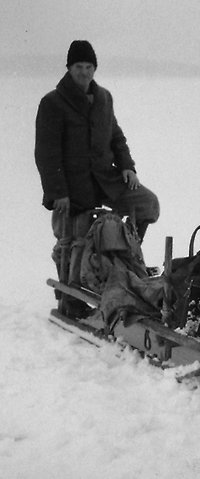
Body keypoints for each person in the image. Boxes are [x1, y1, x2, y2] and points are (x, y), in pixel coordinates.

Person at [35, 40, 160, 316]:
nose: (84, 72)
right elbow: (46, 154)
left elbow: (116, 136)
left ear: (95, 68)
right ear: (69, 68)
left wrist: (127, 166)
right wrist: (58, 192)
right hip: (72, 186)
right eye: (79, 67)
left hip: (106, 179)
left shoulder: (103, 98)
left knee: (148, 205)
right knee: (75, 238)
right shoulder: (53, 103)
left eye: (89, 67)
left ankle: (124, 260)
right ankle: (71, 298)